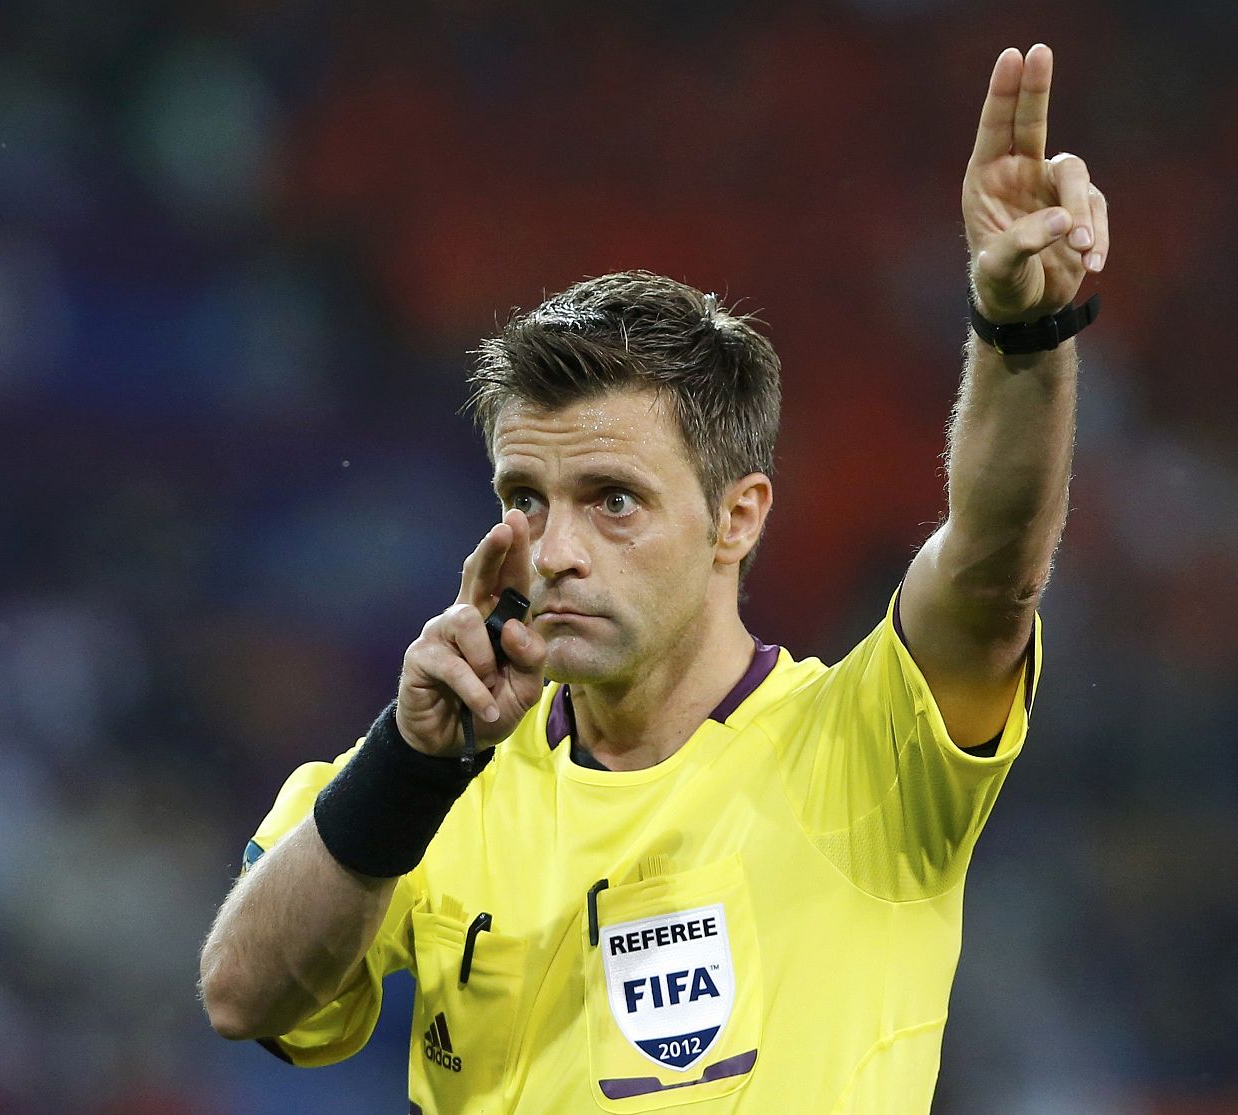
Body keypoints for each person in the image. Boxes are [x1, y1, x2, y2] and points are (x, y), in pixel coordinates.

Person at [200, 42, 1108, 1113]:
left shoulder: (863, 753)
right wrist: (409, 767)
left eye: (613, 499)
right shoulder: (434, 769)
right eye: (526, 496)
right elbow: (242, 995)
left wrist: (1022, 332)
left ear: (737, 517)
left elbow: (993, 568)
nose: (556, 549)